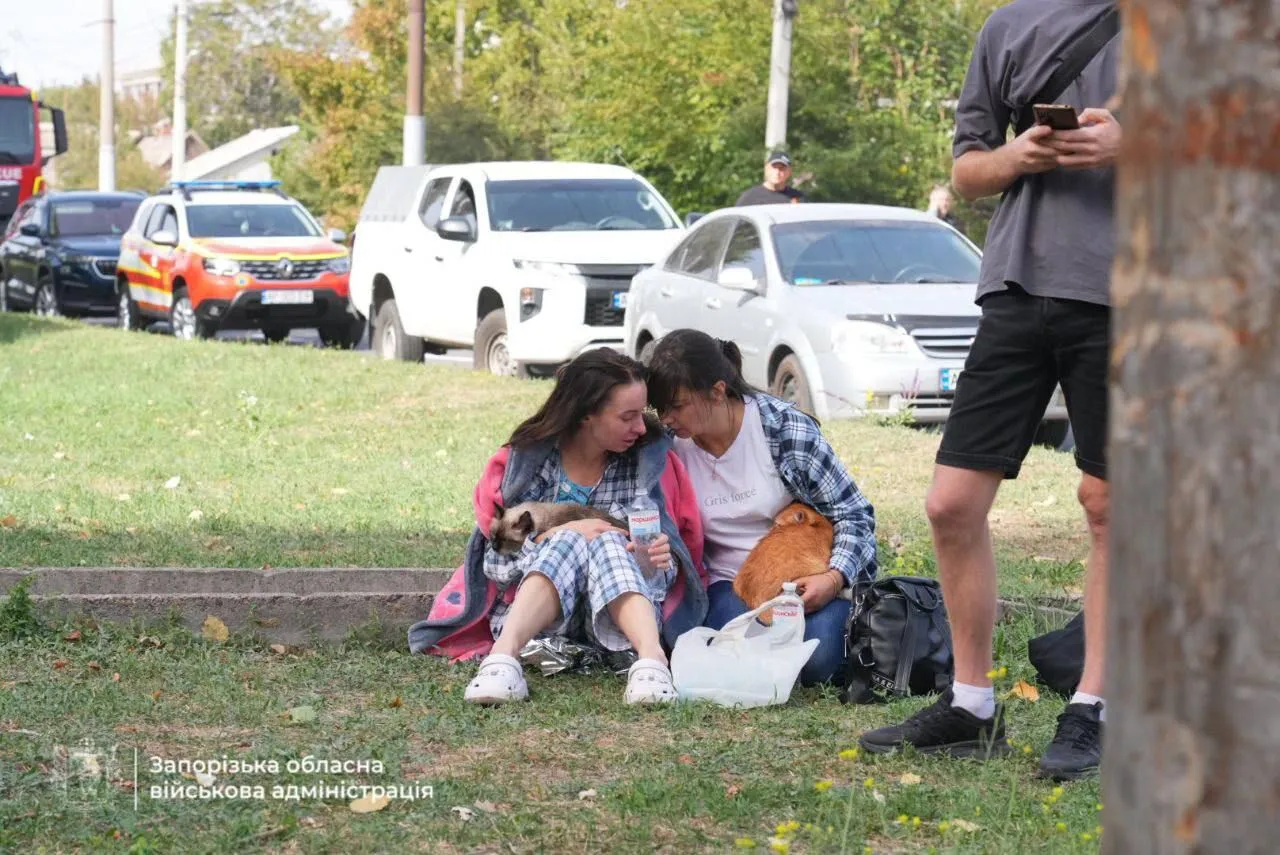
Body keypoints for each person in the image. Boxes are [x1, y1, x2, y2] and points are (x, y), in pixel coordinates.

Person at [857, 0, 1121, 781]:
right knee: (950, 503)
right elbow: (968, 171)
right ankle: (972, 704)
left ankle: (1092, 708)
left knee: (1109, 506)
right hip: (1015, 287)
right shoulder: (1009, 26)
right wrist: (1022, 155)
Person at [407, 350, 707, 705]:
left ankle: (652, 663)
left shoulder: (644, 468)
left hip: (618, 630)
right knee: (568, 536)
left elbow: (666, 576)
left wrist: (653, 558)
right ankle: (501, 661)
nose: (641, 428)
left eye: (642, 415)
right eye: (628, 417)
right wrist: (549, 537)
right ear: (585, 415)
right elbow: (495, 566)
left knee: (608, 541)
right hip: (538, 626)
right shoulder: (530, 465)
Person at [645, 329, 877, 686]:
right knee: (736, 648)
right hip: (727, 582)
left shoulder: (783, 429)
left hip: (800, 580)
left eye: (676, 406)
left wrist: (832, 579)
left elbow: (853, 513)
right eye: (660, 409)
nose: (667, 419)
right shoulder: (670, 447)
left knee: (821, 661)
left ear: (718, 391)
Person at [735, 151, 805, 206]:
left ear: (789, 171)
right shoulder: (749, 198)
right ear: (766, 169)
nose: (777, 172)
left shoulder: (798, 198)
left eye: (782, 168)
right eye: (774, 167)